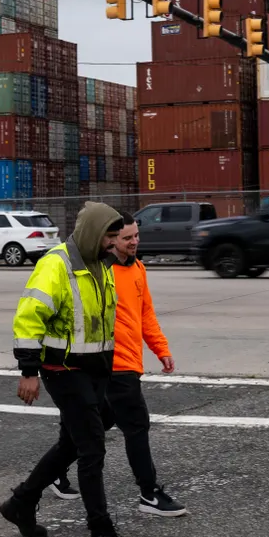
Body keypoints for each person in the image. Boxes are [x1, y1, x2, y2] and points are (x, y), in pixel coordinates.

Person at [0, 202, 140, 537]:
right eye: (110, 235)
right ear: (94, 232)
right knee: (92, 448)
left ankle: (22, 501)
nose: (115, 242)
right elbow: (28, 318)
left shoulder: (101, 265)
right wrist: (28, 372)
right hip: (63, 370)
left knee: (74, 442)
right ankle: (101, 536)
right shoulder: (57, 264)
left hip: (95, 370)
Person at [51, 211, 187, 517]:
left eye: (136, 236)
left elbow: (145, 313)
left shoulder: (138, 267)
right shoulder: (99, 270)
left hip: (126, 362)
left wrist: (160, 349)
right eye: (126, 238)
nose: (134, 242)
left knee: (87, 428)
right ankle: (149, 493)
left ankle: (49, 477)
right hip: (107, 361)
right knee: (136, 424)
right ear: (109, 240)